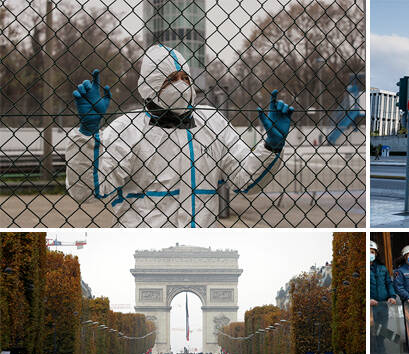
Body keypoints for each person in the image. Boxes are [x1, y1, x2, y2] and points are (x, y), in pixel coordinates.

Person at [66, 45, 295, 227]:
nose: (181, 85)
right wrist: (87, 134)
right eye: (170, 79)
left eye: (185, 78)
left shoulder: (212, 122)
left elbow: (245, 179)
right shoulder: (127, 128)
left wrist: (271, 146)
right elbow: (86, 190)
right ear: (150, 86)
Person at [370, 240, 396, 354]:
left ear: (376, 254)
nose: (371, 254)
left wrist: (392, 296)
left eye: (373, 252)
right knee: (372, 330)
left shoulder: (382, 268)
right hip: (371, 306)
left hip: (382, 304)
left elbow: (388, 283)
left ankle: (382, 351)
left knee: (382, 329)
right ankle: (373, 352)